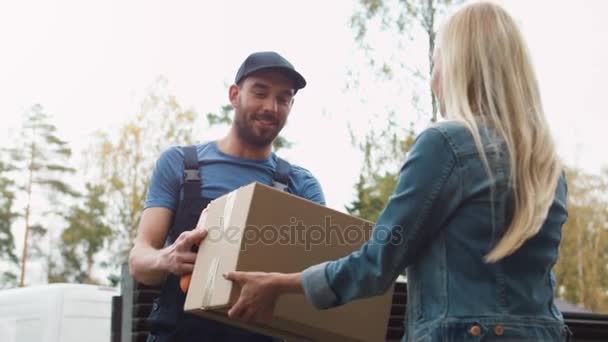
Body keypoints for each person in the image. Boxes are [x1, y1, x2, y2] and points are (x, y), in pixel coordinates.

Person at [223, 3, 572, 341]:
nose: (434, 77)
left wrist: (278, 285)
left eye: (437, 63)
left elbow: (378, 263)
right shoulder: (544, 162)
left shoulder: (447, 144)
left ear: (456, 67)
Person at [128, 51, 326, 342]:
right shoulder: (181, 165)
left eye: (283, 98)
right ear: (234, 95)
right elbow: (139, 260)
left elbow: (320, 277)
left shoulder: (301, 185)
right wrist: (167, 260)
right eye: (260, 93)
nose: (271, 107)